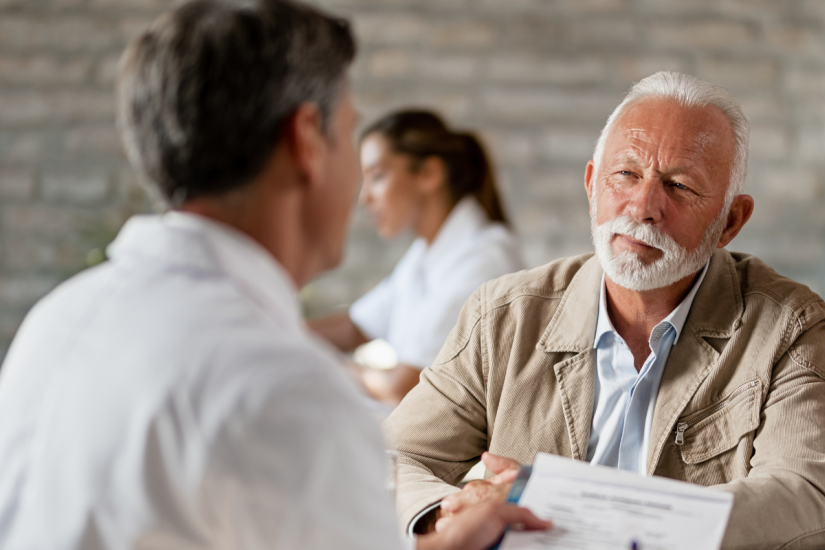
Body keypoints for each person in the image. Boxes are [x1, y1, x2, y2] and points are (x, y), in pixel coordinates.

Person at [0, 1, 547, 548]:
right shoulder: (286, 391)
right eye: (350, 137)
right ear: (307, 139)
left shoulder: (56, 320)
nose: (360, 191)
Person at [386, 71, 825, 549]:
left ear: (730, 221)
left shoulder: (786, 324)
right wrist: (450, 511)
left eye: (680, 186)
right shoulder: (502, 316)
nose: (644, 206)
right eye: (626, 174)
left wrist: (575, 507)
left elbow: (806, 500)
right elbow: (393, 457)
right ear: (591, 184)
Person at [309, 110, 523, 405]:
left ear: (428, 174)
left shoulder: (483, 259)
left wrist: (308, 361)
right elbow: (356, 326)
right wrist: (277, 331)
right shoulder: (425, 254)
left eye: (378, 176)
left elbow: (401, 387)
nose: (365, 198)